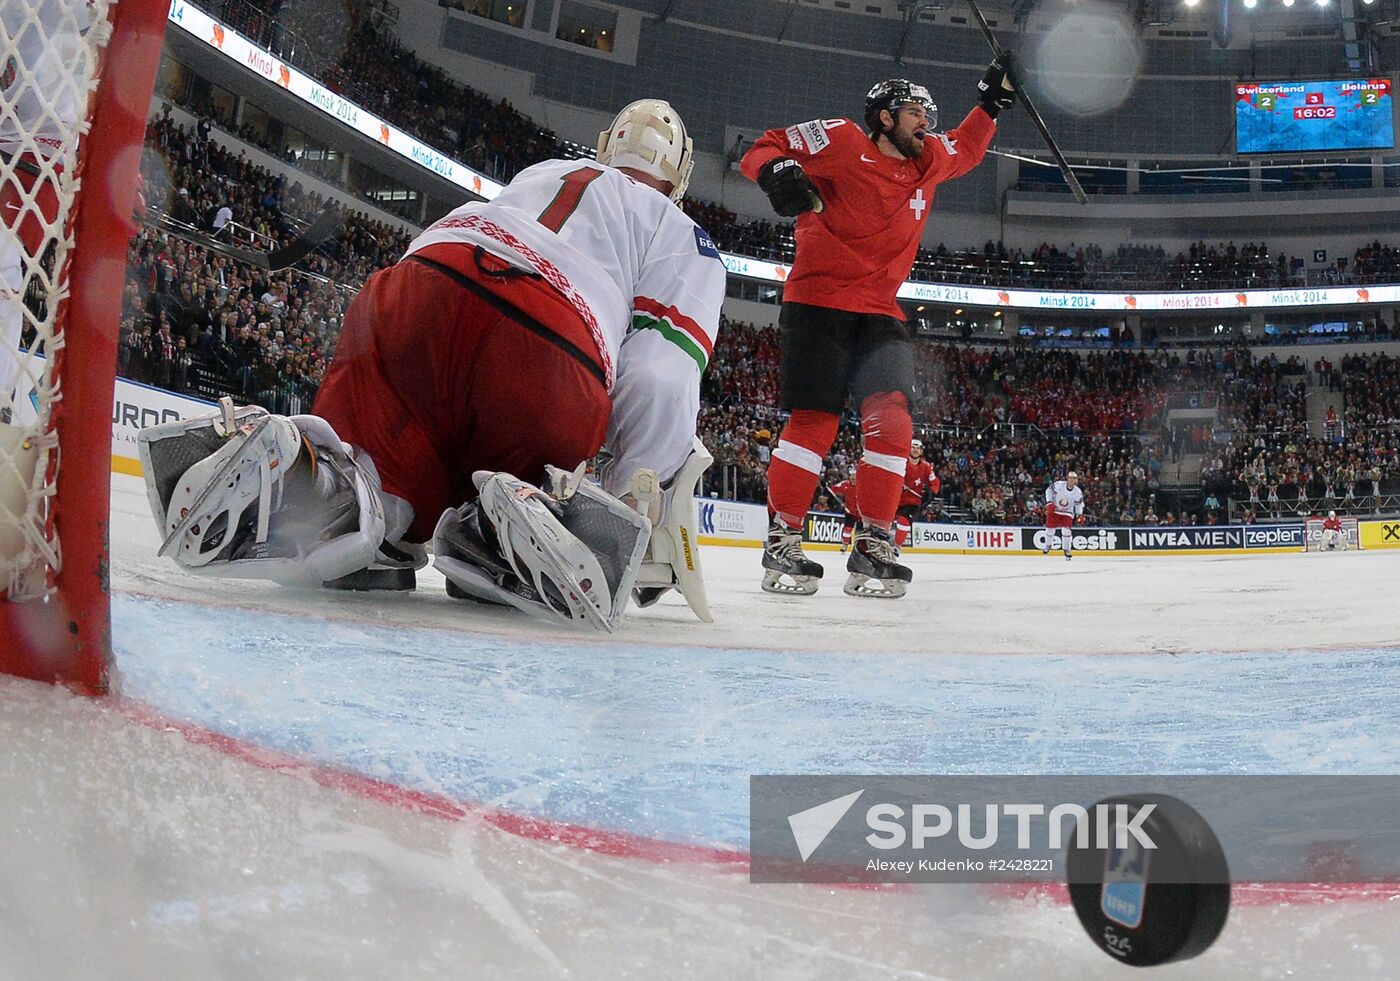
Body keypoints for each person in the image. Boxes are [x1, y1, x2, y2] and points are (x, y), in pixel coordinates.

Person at [138, 99, 726, 630]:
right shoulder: (682, 233)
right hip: (547, 343)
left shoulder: (541, 173)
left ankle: (326, 484)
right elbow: (657, 376)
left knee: (386, 477)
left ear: (604, 147)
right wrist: (632, 497)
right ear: (679, 179)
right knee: (515, 464)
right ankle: (494, 533)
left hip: (417, 289)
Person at [741, 60, 1016, 599]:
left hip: (881, 313)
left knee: (893, 424)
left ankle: (873, 544)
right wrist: (775, 172)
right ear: (885, 117)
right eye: (916, 113)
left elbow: (968, 145)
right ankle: (783, 541)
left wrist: (990, 103)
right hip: (817, 301)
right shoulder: (841, 139)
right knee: (814, 424)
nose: (926, 124)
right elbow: (763, 146)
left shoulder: (930, 159)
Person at [1043, 471, 1084, 560]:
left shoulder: (1078, 492)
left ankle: (1067, 549)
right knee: (1050, 529)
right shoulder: (1059, 485)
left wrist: (1079, 514)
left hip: (1067, 512)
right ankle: (1048, 545)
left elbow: (1079, 504)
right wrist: (1049, 502)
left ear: (1076, 480)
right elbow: (1048, 491)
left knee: (1066, 531)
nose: (1071, 480)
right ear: (1067, 478)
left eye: (1074, 478)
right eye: (1070, 478)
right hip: (1055, 509)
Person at [899, 438, 940, 525]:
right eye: (913, 447)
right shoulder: (901, 463)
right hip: (896, 499)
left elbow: (935, 483)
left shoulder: (926, 467)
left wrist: (931, 492)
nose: (915, 450)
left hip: (913, 502)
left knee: (904, 520)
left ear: (921, 451)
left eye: (918, 448)